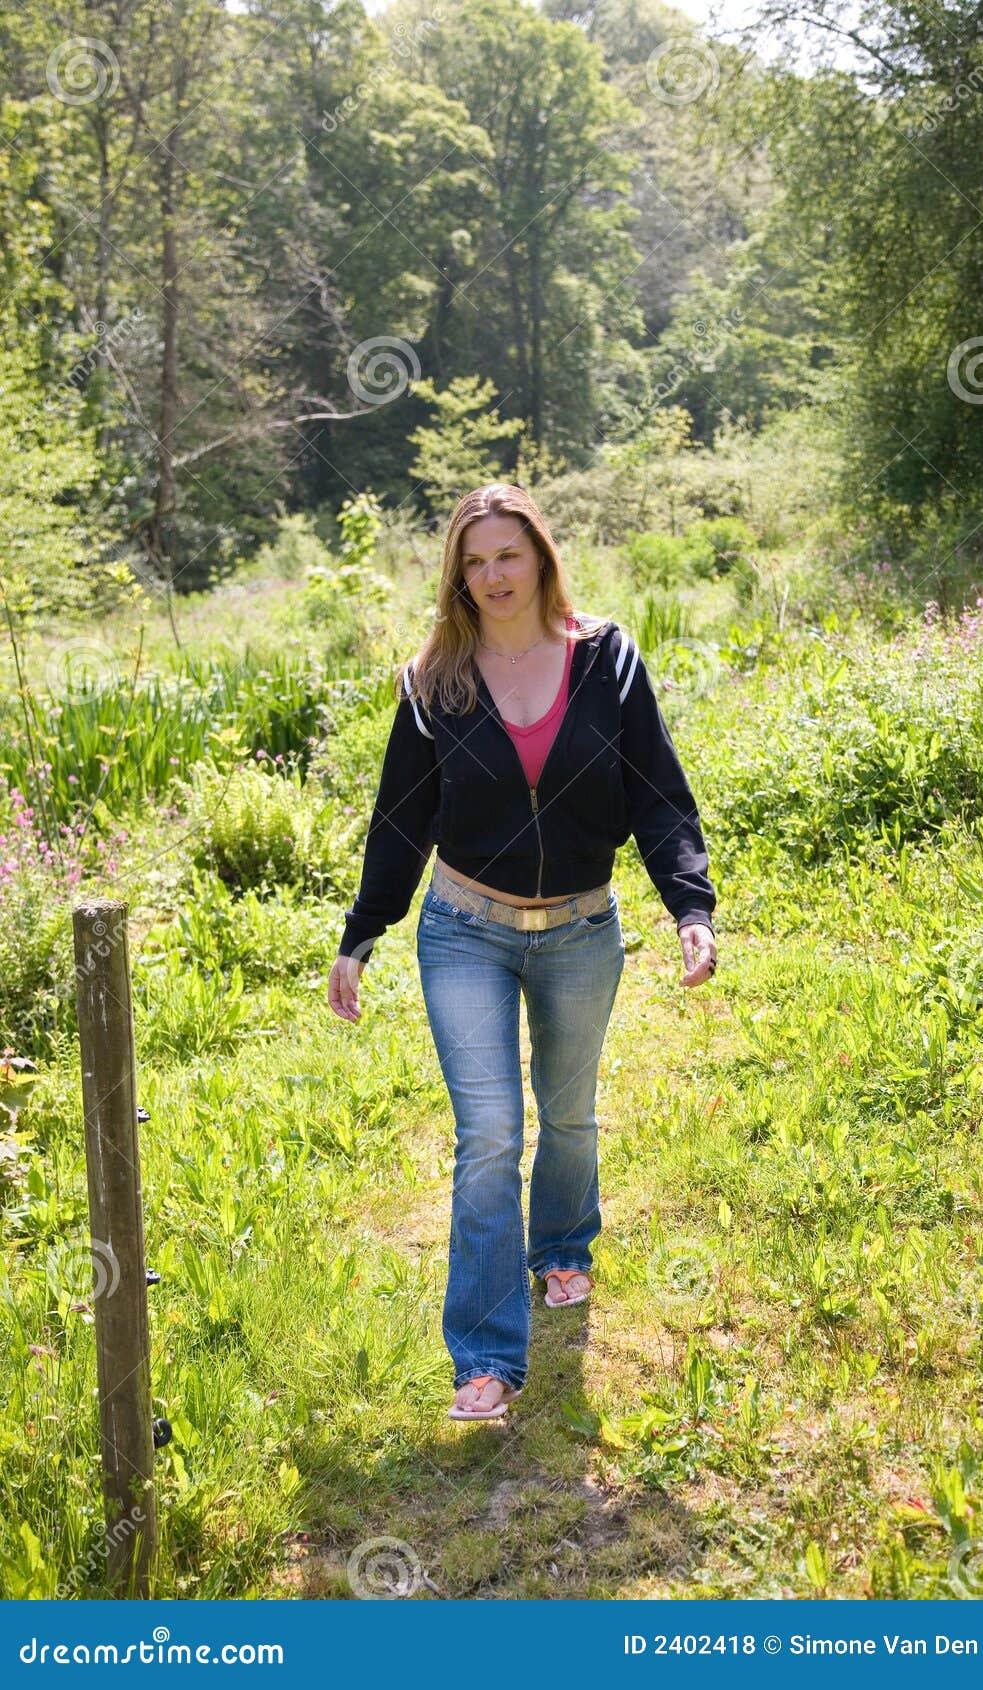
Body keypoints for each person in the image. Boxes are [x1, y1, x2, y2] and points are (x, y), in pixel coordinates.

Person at [328, 483, 717, 1422]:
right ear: (455, 575)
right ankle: (488, 1356)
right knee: (491, 1134)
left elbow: (658, 791)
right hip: (465, 927)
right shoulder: (436, 681)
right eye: (472, 560)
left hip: (582, 926)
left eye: (506, 554)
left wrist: (688, 905)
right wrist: (362, 933)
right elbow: (401, 817)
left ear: (540, 556)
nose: (491, 575)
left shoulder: (605, 659)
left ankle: (564, 1247)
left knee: (569, 1112)